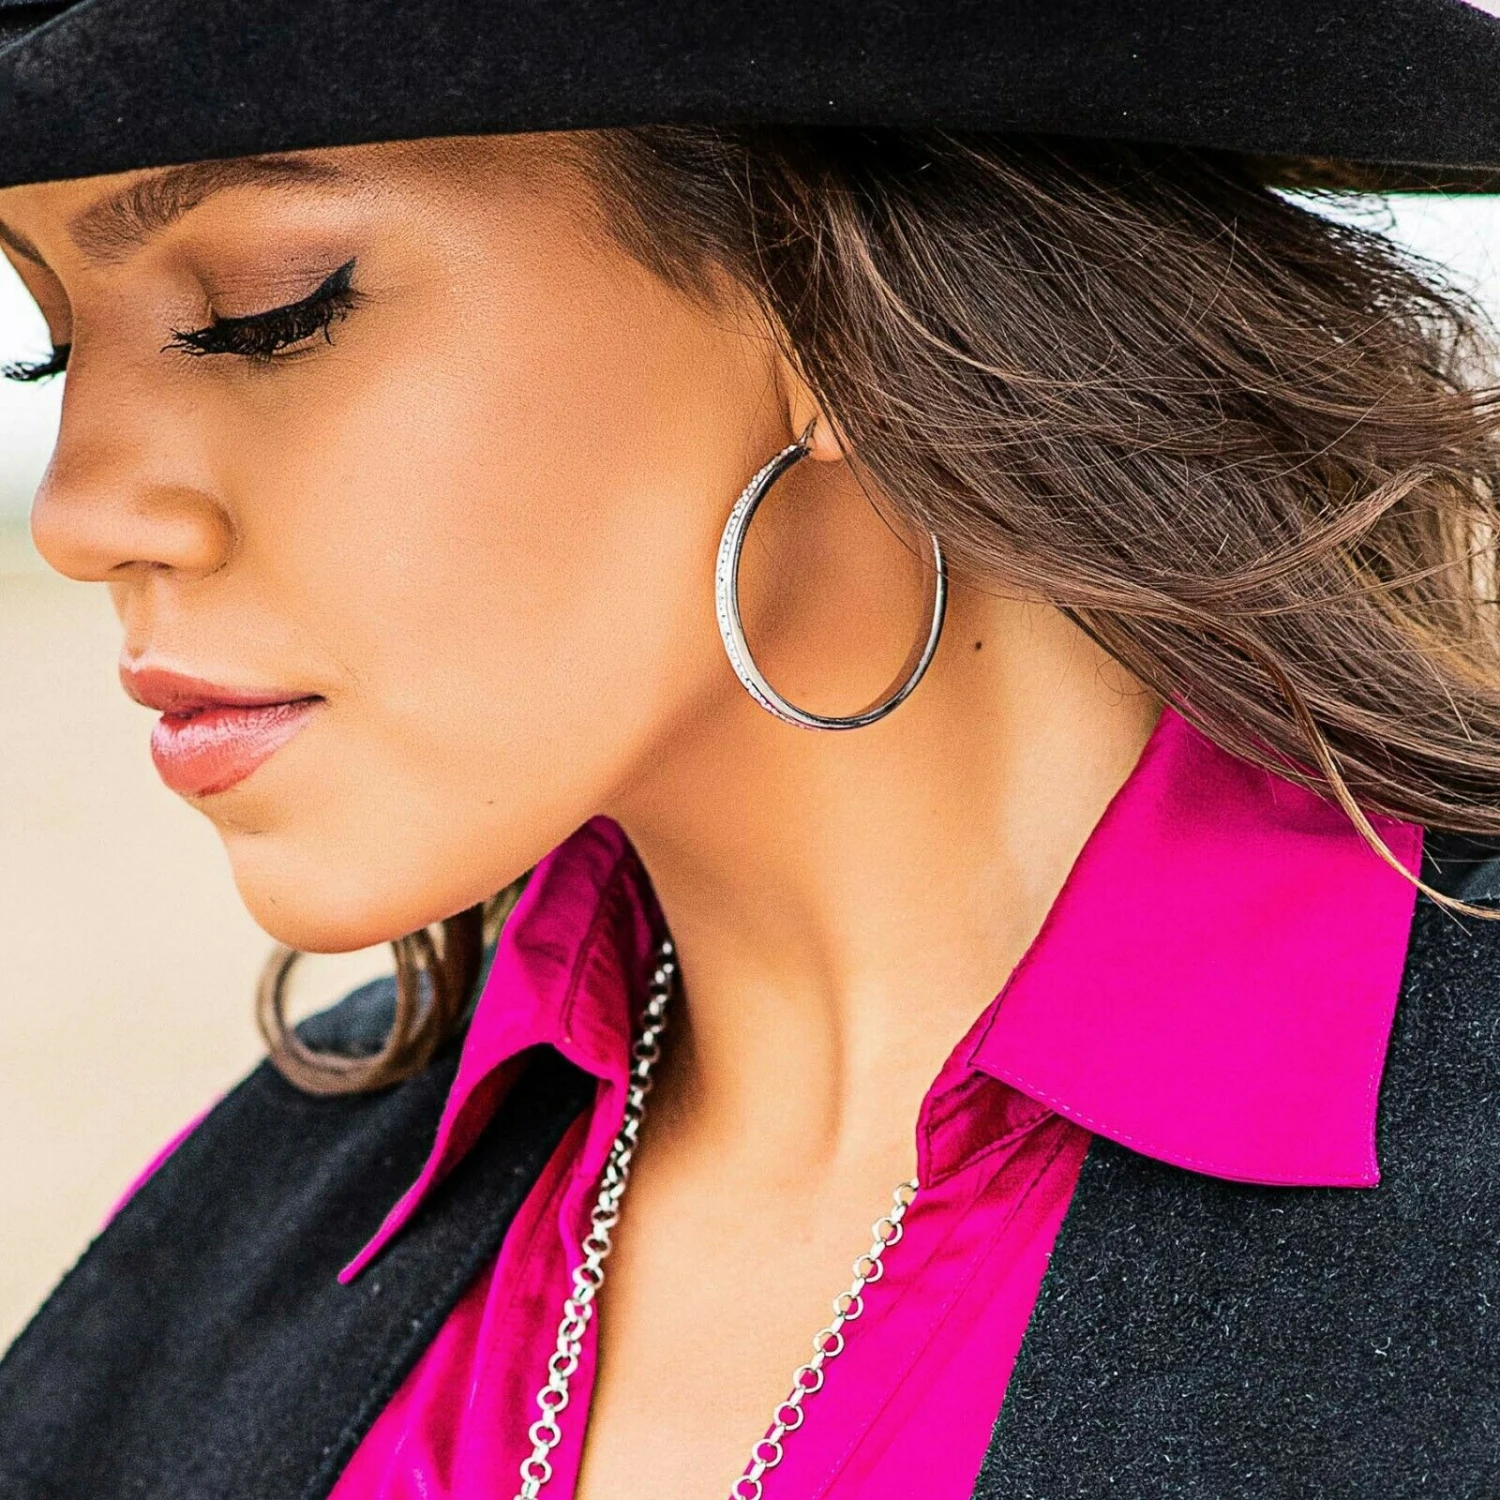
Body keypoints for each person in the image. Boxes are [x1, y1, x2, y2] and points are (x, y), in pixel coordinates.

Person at [0, 2, 1498, 1497]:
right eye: (51, 351)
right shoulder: (218, 1258)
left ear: (816, 292)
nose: (78, 514)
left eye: (263, 313)